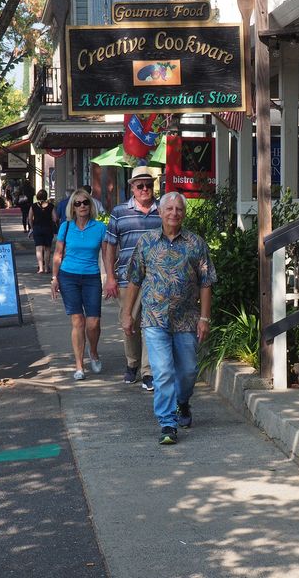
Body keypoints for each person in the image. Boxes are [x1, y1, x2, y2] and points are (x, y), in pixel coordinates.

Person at [122, 191, 216, 445]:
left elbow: (206, 282)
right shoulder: (147, 242)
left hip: (186, 319)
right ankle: (167, 422)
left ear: (184, 214)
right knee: (163, 372)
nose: (174, 213)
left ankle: (182, 402)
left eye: (179, 209)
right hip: (154, 318)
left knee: (187, 371)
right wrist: (127, 314)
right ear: (160, 212)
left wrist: (204, 318)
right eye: (169, 209)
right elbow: (134, 279)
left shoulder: (196, 244)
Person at [104, 166, 162, 391]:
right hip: (127, 279)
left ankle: (148, 371)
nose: (145, 189)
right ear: (132, 188)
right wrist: (110, 276)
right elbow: (109, 245)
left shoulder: (163, 210)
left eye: (149, 185)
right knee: (129, 323)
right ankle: (132, 363)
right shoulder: (119, 212)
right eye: (140, 186)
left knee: (151, 325)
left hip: (156, 280)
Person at [50, 188, 107, 381]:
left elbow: (106, 255)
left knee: (93, 323)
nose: (82, 206)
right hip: (69, 277)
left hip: (91, 277)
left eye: (85, 203)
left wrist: (109, 278)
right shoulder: (66, 227)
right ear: (72, 208)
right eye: (77, 203)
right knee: (78, 321)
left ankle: (94, 351)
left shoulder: (100, 228)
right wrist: (54, 278)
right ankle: (79, 366)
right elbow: (58, 254)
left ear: (91, 206)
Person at [27, 189, 55, 274]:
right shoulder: (51, 206)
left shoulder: (33, 206)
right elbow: (55, 218)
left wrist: (32, 227)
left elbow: (30, 218)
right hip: (48, 229)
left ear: (37, 196)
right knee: (47, 249)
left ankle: (41, 268)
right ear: (46, 196)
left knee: (38, 249)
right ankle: (47, 268)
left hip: (37, 228)